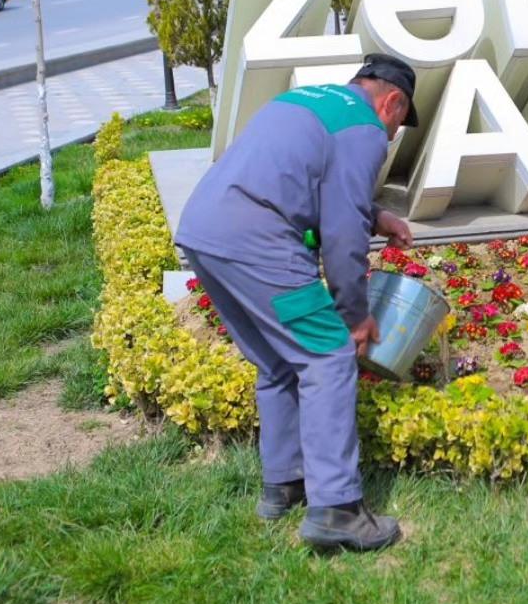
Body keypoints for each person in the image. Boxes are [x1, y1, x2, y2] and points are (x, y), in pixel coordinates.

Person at [176, 53, 420, 550]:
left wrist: (377, 215)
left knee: (277, 359)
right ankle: (337, 510)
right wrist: (354, 315)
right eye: (399, 123)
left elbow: (305, 177)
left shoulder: (306, 101)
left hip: (204, 231)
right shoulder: (365, 128)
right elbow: (343, 234)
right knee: (327, 354)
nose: (393, 135)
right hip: (257, 241)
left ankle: (284, 484)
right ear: (392, 102)